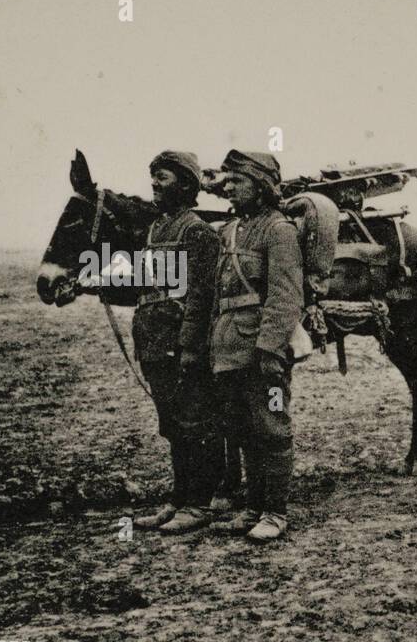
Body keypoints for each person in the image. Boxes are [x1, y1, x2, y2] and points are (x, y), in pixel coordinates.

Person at [105, 151, 224, 534]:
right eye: (153, 176)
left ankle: (199, 504)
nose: (155, 183)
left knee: (194, 420)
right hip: (154, 339)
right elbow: (146, 285)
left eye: (164, 177)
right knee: (172, 423)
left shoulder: (197, 232)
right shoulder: (156, 230)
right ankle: (179, 498)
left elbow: (201, 297)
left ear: (187, 185)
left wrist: (191, 347)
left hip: (180, 342)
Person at [206, 151, 303, 541]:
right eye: (226, 180)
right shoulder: (229, 230)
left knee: (272, 426)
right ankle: (253, 508)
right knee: (243, 428)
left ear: (262, 185)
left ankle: (275, 513)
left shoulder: (278, 230)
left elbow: (285, 296)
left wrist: (270, 349)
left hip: (262, 348)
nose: (228, 186)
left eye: (238, 180)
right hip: (229, 346)